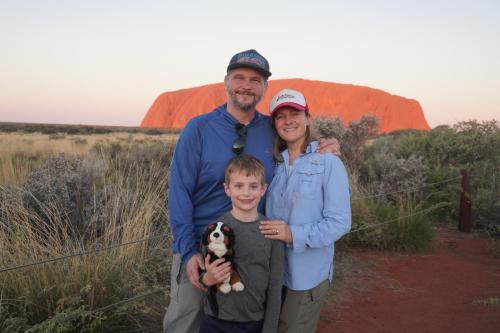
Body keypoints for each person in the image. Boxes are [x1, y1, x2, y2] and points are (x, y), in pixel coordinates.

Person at [164, 49, 339, 333]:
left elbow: (298, 150)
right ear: (226, 82)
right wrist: (187, 252)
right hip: (202, 246)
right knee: (187, 321)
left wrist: (322, 146)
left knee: (247, 321)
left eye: (255, 80)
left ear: (264, 88)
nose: (246, 85)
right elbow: (179, 192)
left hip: (254, 247)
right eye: (239, 77)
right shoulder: (198, 129)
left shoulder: (271, 131)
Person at [260, 89, 352, 333]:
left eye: (295, 113)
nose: (288, 121)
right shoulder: (274, 165)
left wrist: (293, 234)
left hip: (306, 276)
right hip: (274, 272)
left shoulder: (328, 162)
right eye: (281, 117)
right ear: (274, 124)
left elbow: (339, 222)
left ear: (308, 118)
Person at [199, 155, 283, 333]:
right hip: (216, 320)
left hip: (253, 322)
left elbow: (275, 286)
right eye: (238, 186)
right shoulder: (214, 230)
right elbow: (203, 277)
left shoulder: (271, 231)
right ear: (227, 189)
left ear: (263, 189)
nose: (246, 193)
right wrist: (207, 279)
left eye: (253, 186)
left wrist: (269, 329)